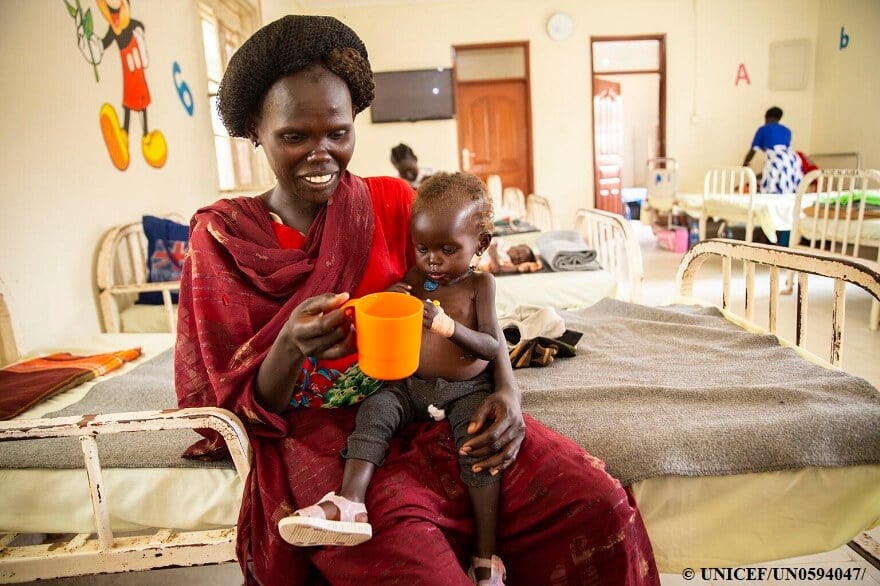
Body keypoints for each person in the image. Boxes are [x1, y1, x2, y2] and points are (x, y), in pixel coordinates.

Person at [174, 14, 659, 586]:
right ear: (255, 130)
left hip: (435, 405)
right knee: (418, 571)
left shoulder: (389, 204)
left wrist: (508, 393)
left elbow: (466, 309)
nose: (321, 153)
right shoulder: (226, 241)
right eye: (294, 136)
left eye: (337, 132)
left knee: (597, 504)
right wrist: (289, 346)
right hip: (329, 441)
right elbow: (236, 407)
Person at [280, 172, 509, 584]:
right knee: (374, 412)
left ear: (481, 245)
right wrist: (392, 294)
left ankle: (486, 555)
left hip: (464, 388)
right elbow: (391, 310)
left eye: (447, 249)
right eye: (423, 248)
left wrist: (448, 327)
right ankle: (350, 500)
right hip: (410, 385)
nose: (433, 260)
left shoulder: (480, 285)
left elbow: (493, 347)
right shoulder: (417, 278)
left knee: (477, 448)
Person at [742, 106, 803, 194]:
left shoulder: (763, 129)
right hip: (793, 159)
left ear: (766, 117)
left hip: (777, 158)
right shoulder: (787, 130)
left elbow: (753, 150)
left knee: (772, 183)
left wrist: (745, 163)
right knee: (786, 183)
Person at [477, 239, 543, 274]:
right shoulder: (503, 244)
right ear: (516, 246)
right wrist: (495, 263)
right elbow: (491, 247)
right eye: (518, 252)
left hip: (477, 266)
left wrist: (517, 268)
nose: (517, 257)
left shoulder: (510, 264)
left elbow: (498, 269)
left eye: (519, 259)